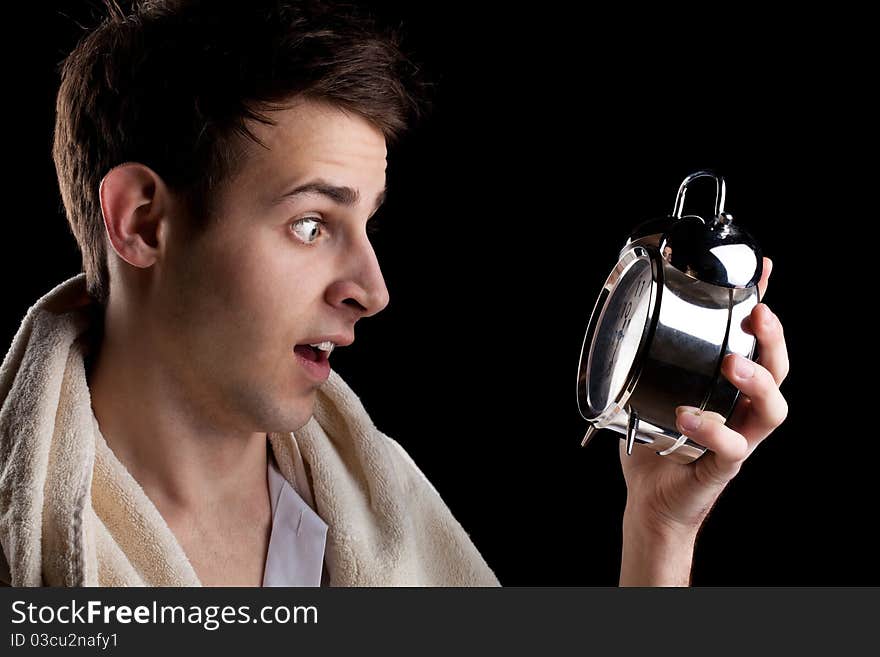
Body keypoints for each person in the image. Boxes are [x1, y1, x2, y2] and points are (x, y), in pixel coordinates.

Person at [0, 0, 790, 587]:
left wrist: (659, 530)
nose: (372, 290)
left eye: (367, 223)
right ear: (141, 222)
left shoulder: (385, 514)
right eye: (311, 224)